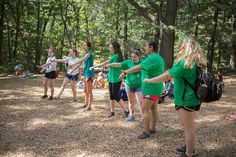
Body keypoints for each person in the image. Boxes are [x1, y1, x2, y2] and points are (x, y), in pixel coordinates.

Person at [143, 36, 207, 157]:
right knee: (189, 125)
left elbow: (167, 76)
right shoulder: (195, 62)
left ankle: (189, 152)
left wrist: (149, 80)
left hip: (185, 100)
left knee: (188, 127)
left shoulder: (184, 63)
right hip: (192, 98)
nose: (179, 47)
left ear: (186, 47)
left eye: (181, 45)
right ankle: (189, 147)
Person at [120, 41, 164, 139]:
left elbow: (139, 67)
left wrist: (125, 72)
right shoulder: (159, 57)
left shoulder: (151, 58)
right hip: (157, 87)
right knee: (153, 109)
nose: (144, 48)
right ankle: (152, 129)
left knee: (145, 109)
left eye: (146, 46)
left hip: (150, 88)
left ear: (151, 47)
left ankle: (146, 131)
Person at [90, 41, 129, 117]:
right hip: (111, 78)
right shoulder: (116, 56)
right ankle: (112, 111)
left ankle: (126, 110)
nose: (109, 49)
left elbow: (105, 63)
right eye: (110, 47)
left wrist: (93, 67)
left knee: (116, 95)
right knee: (111, 95)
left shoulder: (116, 56)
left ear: (115, 49)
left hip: (116, 79)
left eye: (111, 47)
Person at [109, 49, 143, 122]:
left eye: (135, 57)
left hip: (139, 84)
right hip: (129, 84)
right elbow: (119, 64)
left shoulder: (142, 63)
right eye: (132, 57)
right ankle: (131, 115)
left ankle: (143, 117)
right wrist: (111, 64)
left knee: (140, 101)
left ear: (139, 56)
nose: (133, 58)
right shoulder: (128, 62)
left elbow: (137, 69)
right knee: (131, 101)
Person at [70, 41, 94, 111]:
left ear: (88, 47)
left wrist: (73, 64)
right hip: (85, 73)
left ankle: (89, 106)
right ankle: (85, 104)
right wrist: (73, 68)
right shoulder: (84, 53)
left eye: (85, 45)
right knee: (85, 90)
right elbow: (81, 64)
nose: (83, 47)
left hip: (89, 74)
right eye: (83, 45)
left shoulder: (89, 54)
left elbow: (82, 60)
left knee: (89, 91)